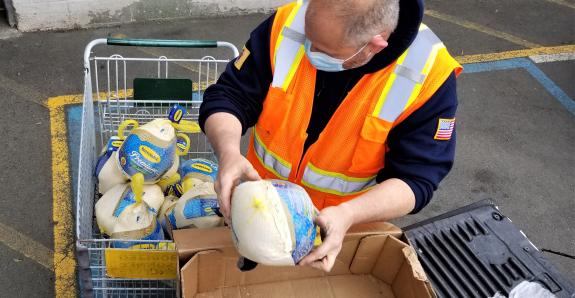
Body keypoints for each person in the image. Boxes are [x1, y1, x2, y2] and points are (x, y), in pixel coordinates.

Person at [200, 0, 462, 272]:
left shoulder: (428, 74)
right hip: (258, 213)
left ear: (375, 45)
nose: (309, 51)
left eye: (323, 50)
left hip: (340, 238)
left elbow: (417, 178)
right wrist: (229, 152)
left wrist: (347, 215)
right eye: (308, 38)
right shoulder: (289, 22)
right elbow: (229, 95)